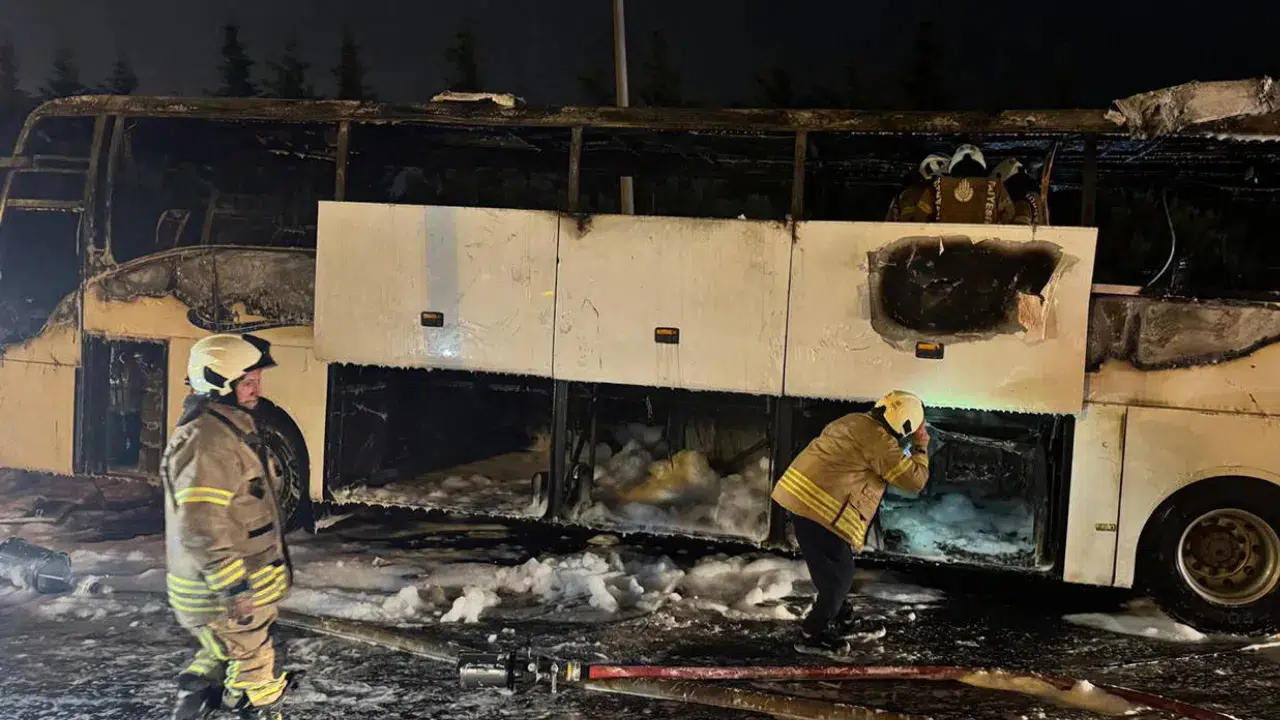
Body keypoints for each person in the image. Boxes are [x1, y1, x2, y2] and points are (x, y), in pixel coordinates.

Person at [165, 333, 297, 720]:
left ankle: (194, 703)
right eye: (247, 381)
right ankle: (258, 707)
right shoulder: (210, 441)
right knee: (258, 672)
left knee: (217, 656)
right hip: (224, 592)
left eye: (257, 379)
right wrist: (234, 587)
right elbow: (200, 526)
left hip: (233, 588)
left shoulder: (227, 429)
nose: (257, 389)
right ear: (218, 385)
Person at [771, 390, 931, 656]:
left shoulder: (855, 420)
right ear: (905, 425)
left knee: (837, 570)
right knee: (838, 579)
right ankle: (812, 633)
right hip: (817, 509)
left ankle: (843, 620)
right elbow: (915, 480)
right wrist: (921, 444)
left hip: (805, 501)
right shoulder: (880, 441)